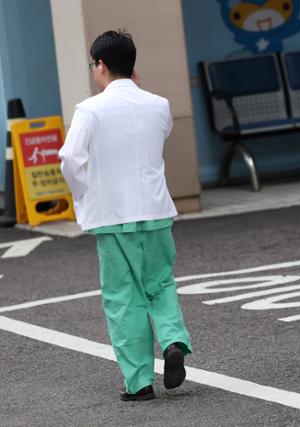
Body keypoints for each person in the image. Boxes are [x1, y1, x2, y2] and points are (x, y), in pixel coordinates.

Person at [59, 30, 192, 402]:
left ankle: (139, 382)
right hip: (155, 209)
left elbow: (70, 158)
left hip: (112, 214)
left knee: (123, 297)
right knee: (160, 283)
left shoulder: (90, 109)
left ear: (100, 65)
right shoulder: (159, 105)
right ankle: (173, 341)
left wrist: (84, 192)